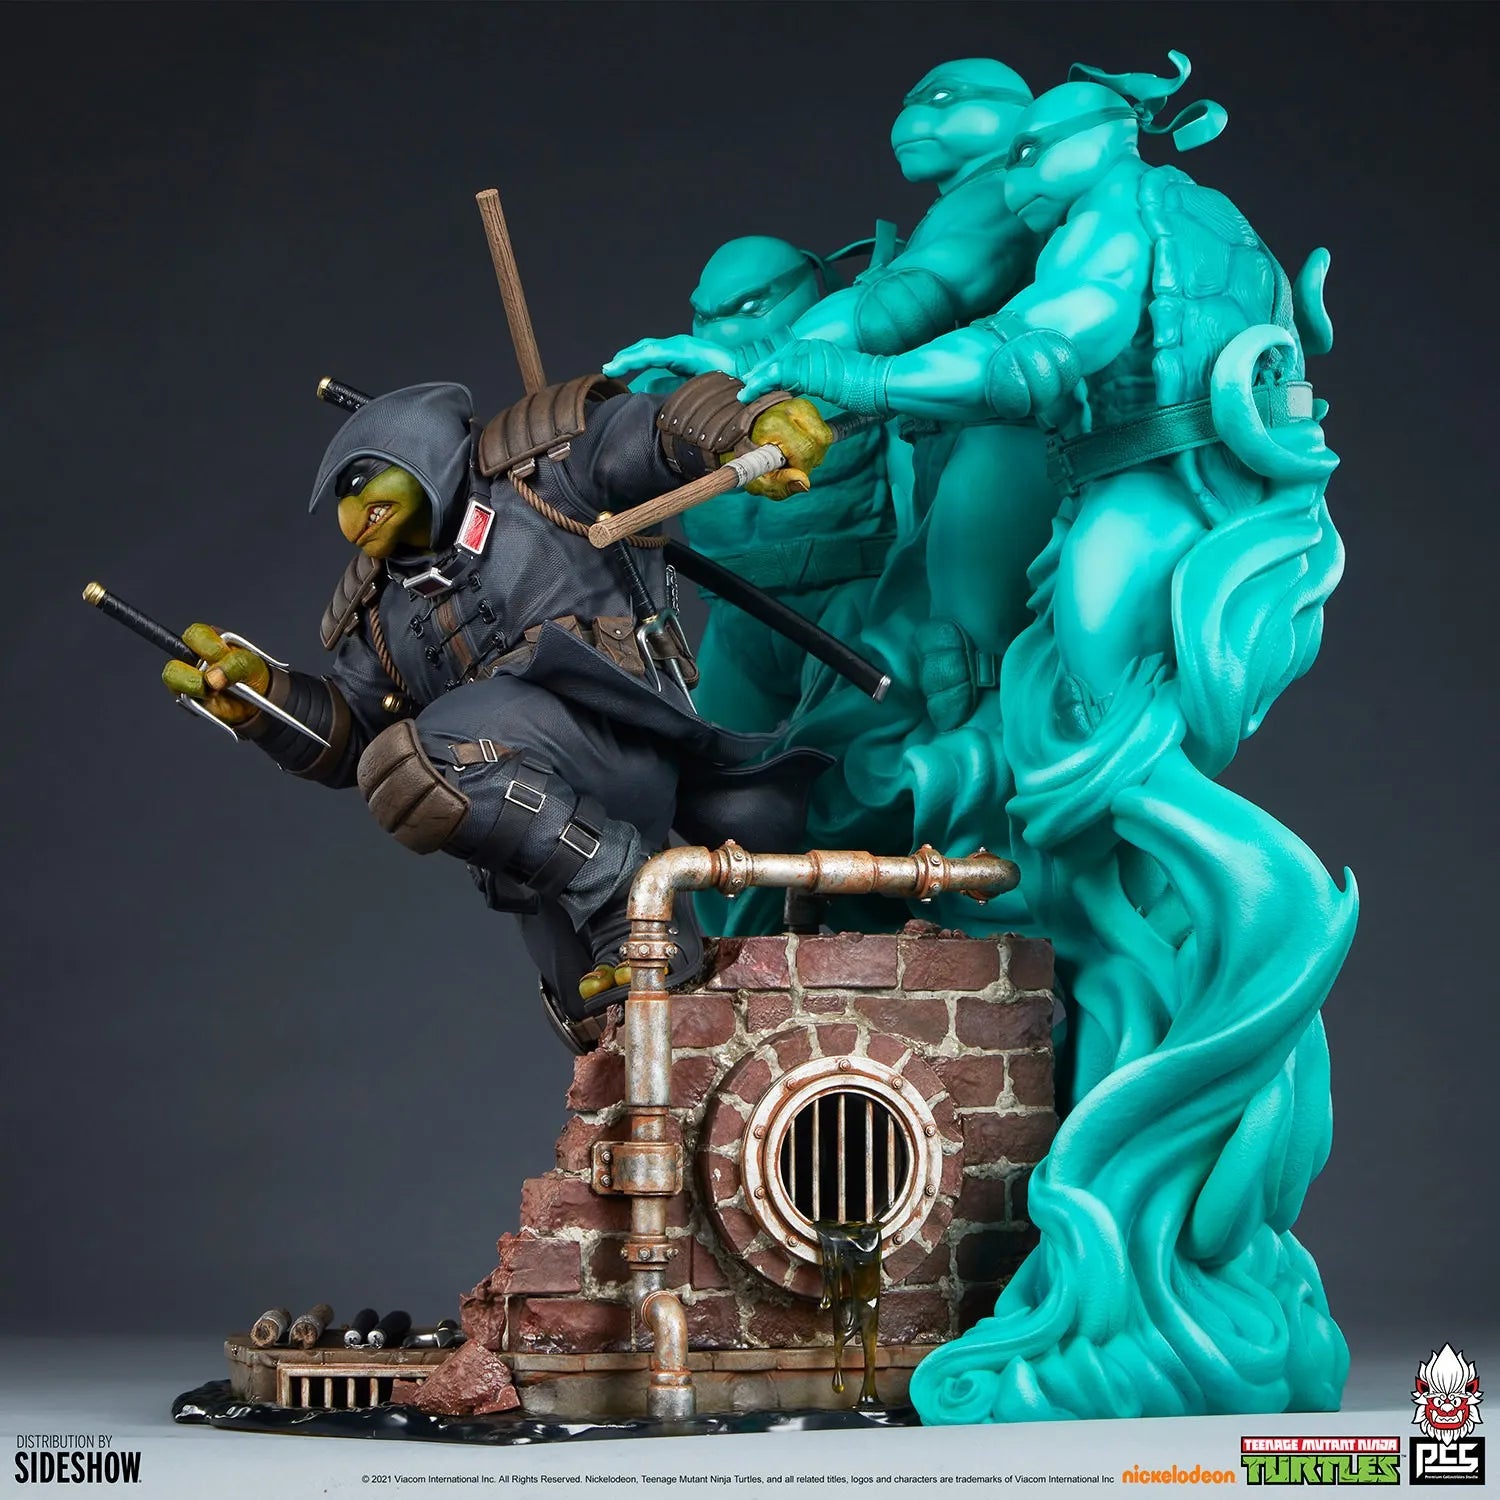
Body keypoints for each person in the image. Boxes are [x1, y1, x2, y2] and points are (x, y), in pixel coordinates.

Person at [164, 372, 832, 1049]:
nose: (353, 508)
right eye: (342, 493)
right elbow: (358, 739)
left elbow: (646, 435)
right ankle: (677, 1013)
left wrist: (742, 428)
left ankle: (626, 893)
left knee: (436, 752)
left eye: (363, 478)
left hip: (614, 744)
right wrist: (263, 700)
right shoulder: (381, 609)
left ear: (419, 447)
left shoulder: (543, 481)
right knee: (603, 1019)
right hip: (534, 824)